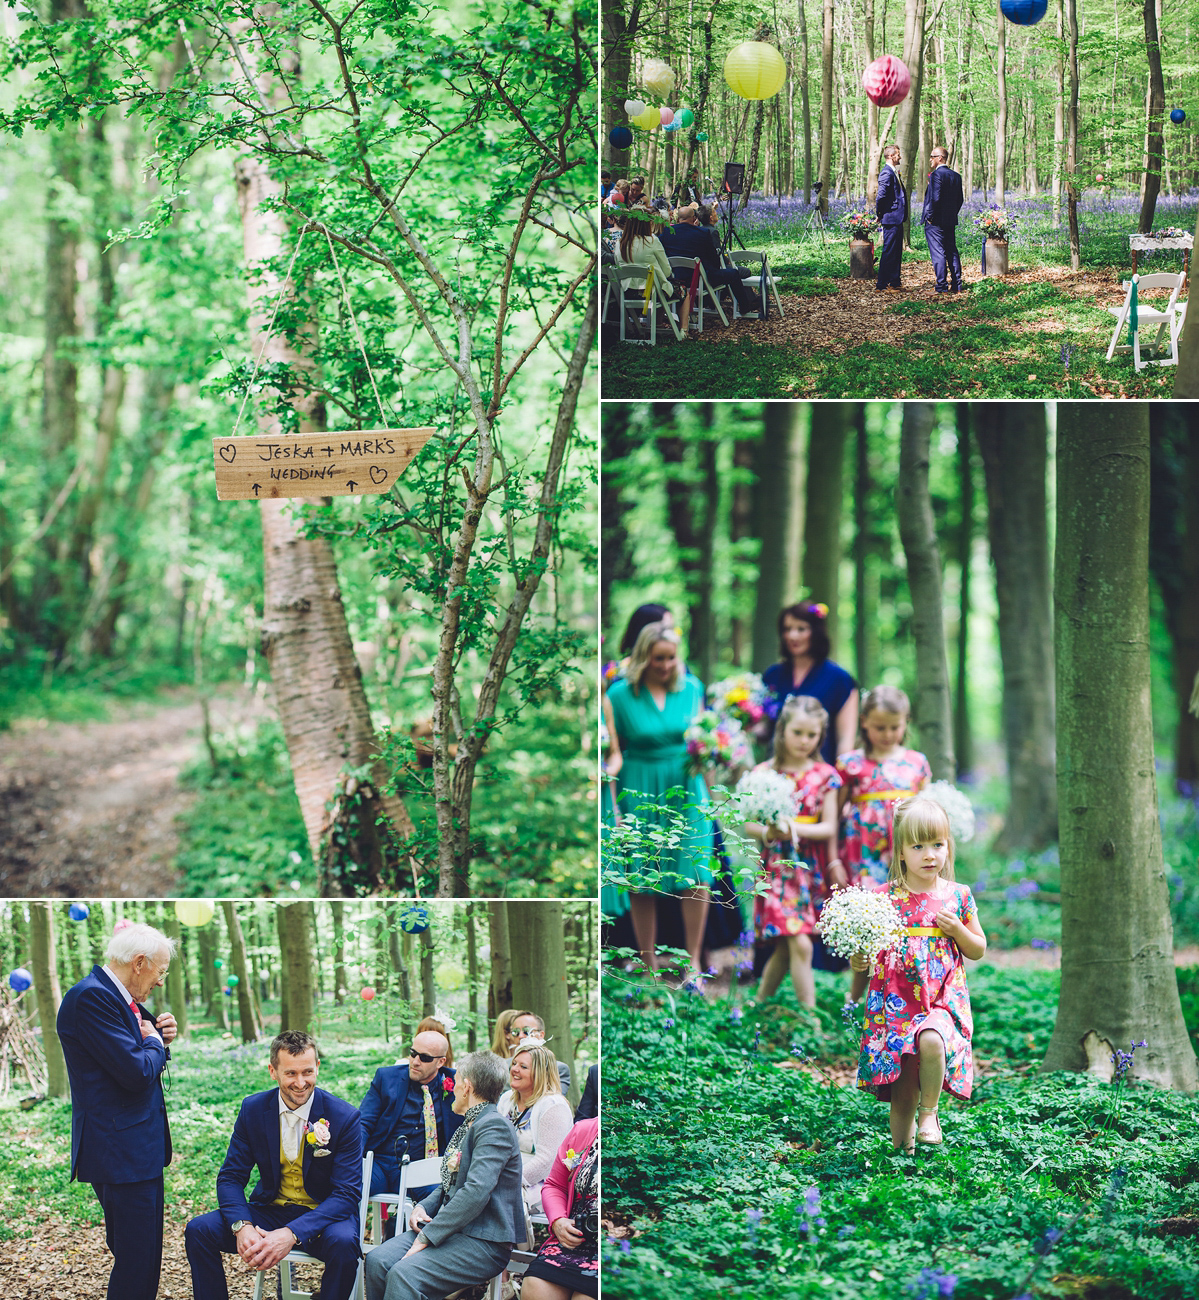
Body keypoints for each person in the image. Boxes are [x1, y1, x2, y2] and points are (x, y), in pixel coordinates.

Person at [184, 1030, 363, 1300]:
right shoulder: (253, 1110)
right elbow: (231, 1177)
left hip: (323, 1217)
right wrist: (242, 1225)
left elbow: (347, 1194)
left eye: (308, 1072)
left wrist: (292, 1233)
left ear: (318, 1067)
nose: (301, 1083)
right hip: (271, 1209)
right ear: (273, 1071)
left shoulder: (344, 1117)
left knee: (344, 1245)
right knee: (199, 1230)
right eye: (290, 1073)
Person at [850, 796, 985, 1150]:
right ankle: (903, 1153)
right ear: (901, 854)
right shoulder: (884, 897)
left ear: (948, 847)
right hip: (896, 1000)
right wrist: (859, 960)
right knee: (902, 1083)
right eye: (918, 845)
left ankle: (930, 1112)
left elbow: (978, 949)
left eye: (937, 844)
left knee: (931, 1040)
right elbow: (865, 947)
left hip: (941, 996)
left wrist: (957, 930)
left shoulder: (958, 896)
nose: (929, 854)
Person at [57, 923, 177, 1300]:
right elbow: (136, 1071)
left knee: (142, 1259)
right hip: (119, 1152)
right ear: (139, 963)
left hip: (134, 1149)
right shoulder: (92, 998)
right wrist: (155, 1043)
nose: (160, 982)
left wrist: (158, 1034)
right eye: (160, 971)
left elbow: (135, 1045)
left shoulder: (114, 996)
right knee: (136, 1262)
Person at [363, 1051, 525, 1300]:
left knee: (404, 1274)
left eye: (457, 1081)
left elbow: (475, 1192)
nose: (453, 1087)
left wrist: (429, 1234)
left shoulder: (494, 1126)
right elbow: (452, 1182)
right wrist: (424, 1207)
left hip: (482, 1241)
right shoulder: (469, 1124)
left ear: (467, 1087)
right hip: (452, 1231)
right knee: (377, 1260)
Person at [606, 621, 712, 974]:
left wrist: (711, 767)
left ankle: (693, 962)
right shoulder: (620, 695)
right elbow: (612, 749)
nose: (665, 666)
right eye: (657, 659)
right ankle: (649, 963)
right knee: (642, 876)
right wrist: (613, 801)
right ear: (642, 657)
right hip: (638, 785)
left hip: (686, 785)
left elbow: (704, 741)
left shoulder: (693, 688)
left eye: (670, 658)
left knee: (695, 873)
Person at [747, 696, 844, 1009]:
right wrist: (769, 832)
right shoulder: (764, 772)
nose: (804, 741)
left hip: (807, 869)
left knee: (788, 946)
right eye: (797, 733)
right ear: (782, 731)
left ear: (821, 736)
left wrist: (795, 830)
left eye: (812, 735)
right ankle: (810, 1018)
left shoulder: (825, 775)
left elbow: (829, 826)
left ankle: (758, 1005)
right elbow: (748, 823)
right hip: (776, 869)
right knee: (800, 944)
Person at [837, 684, 932, 890]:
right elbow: (834, 815)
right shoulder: (850, 763)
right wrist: (833, 861)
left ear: (906, 722)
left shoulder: (917, 762)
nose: (887, 734)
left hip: (905, 848)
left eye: (894, 727)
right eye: (880, 728)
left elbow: (928, 815)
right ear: (864, 722)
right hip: (861, 853)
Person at [359, 1028, 462, 1201]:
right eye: (413, 1053)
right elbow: (363, 1123)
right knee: (348, 1187)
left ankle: (417, 1229)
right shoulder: (386, 1078)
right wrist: (351, 1158)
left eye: (425, 1057)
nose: (415, 1061)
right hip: (381, 1164)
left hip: (424, 1170)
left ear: (440, 1062)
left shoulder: (457, 1083)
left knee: (440, 1198)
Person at [761, 602, 859, 765]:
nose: (792, 636)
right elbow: (763, 729)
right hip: (775, 774)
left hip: (820, 776)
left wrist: (840, 781)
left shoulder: (840, 680)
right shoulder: (772, 676)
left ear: (816, 632)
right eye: (787, 629)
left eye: (801, 629)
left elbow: (845, 741)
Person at [520, 1118, 600, 1300]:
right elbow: (555, 1185)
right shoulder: (584, 1130)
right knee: (535, 1287)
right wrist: (558, 1221)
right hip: (575, 1236)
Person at [497, 1043, 575, 1208]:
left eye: (523, 1066)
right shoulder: (506, 1099)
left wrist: (505, 1181)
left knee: (493, 1200)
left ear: (540, 1073)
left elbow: (546, 1161)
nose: (514, 1069)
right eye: (514, 1064)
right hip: (502, 1174)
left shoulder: (553, 1105)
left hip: (541, 1183)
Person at [658, 203, 762, 319]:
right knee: (733, 273)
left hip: (675, 278)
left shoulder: (666, 232)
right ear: (694, 218)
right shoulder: (702, 233)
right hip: (700, 279)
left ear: (678, 219)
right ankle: (745, 305)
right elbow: (714, 258)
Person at [921, 146, 965, 293]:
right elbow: (960, 200)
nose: (930, 159)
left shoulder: (936, 175)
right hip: (950, 220)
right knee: (951, 250)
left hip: (936, 222)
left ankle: (941, 286)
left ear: (940, 158)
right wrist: (952, 213)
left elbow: (935, 199)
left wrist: (930, 217)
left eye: (932, 156)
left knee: (938, 252)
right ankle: (957, 284)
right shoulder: (956, 176)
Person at [509, 1010, 572, 1091]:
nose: (520, 1036)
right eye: (515, 1032)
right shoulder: (503, 1065)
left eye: (527, 1031)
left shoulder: (558, 1068)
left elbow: (554, 1100)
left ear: (541, 1035)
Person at [875, 143, 907, 291]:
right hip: (891, 217)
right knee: (889, 250)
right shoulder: (887, 173)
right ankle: (881, 284)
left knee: (896, 251)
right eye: (898, 154)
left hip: (897, 217)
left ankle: (895, 281)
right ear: (891, 156)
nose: (900, 156)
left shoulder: (894, 172)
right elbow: (881, 196)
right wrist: (880, 214)